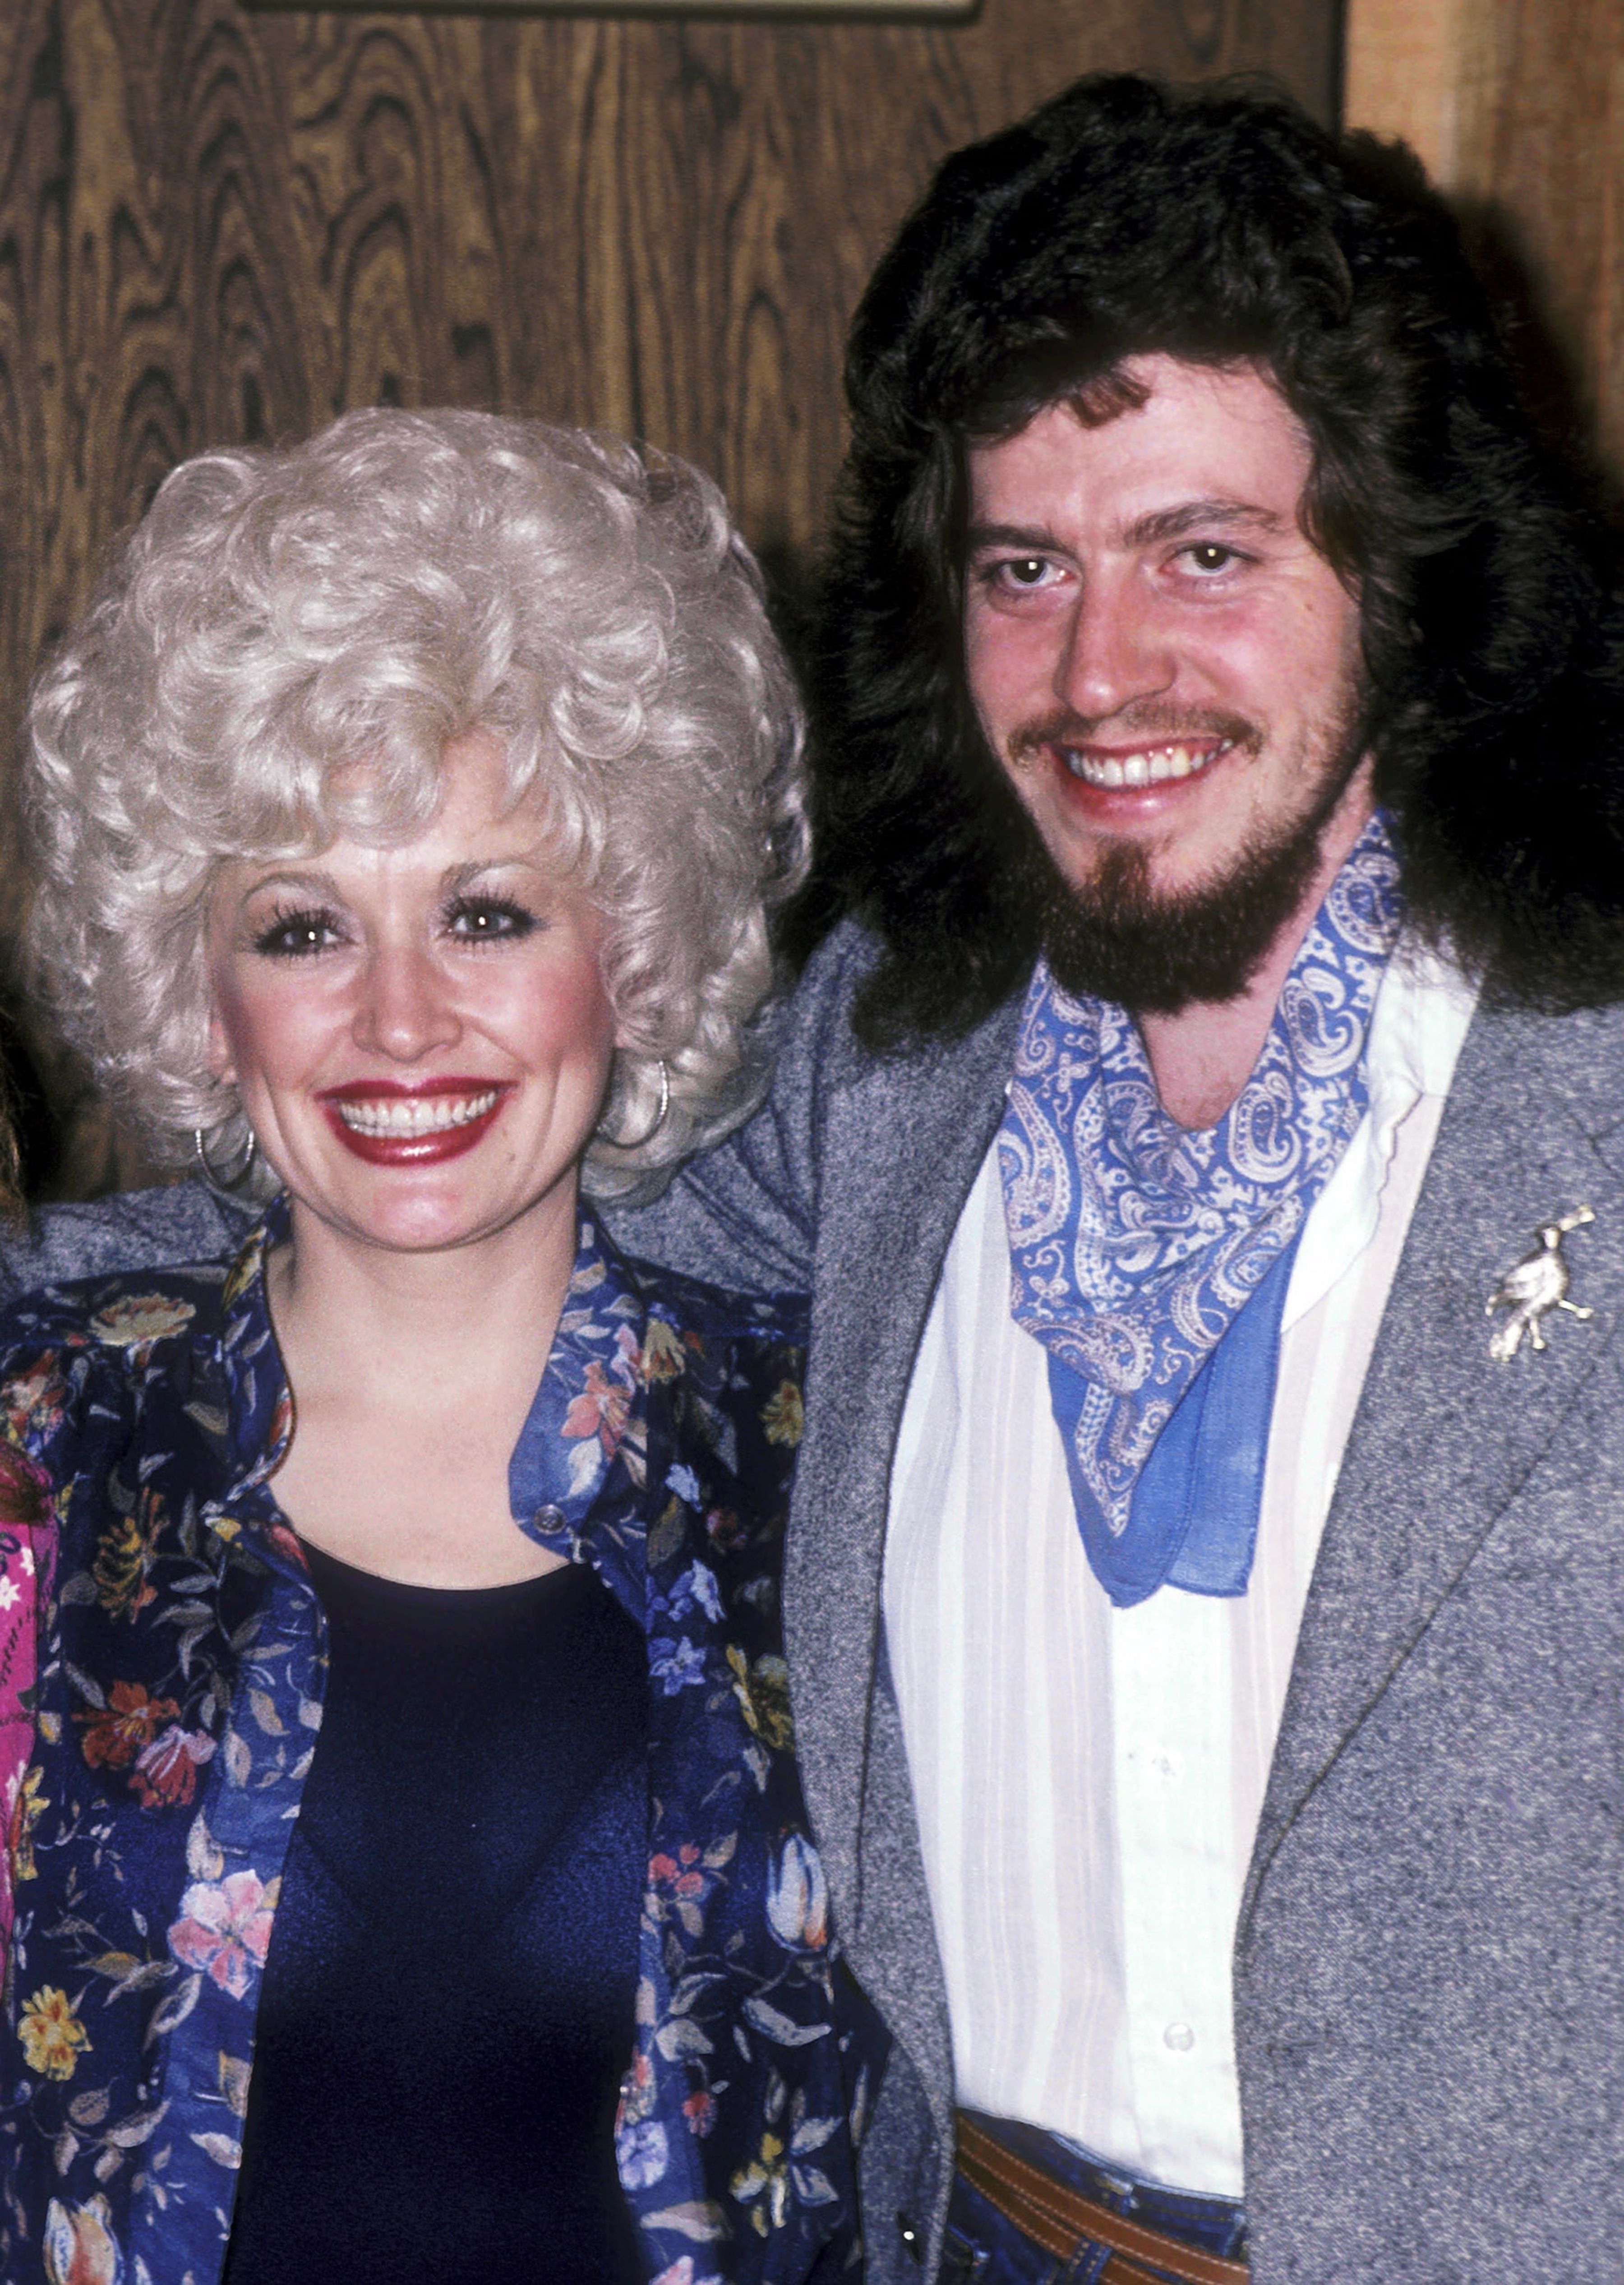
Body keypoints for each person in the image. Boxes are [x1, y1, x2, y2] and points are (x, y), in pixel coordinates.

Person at [9, 75, 1624, 2285]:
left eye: (1207, 554)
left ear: (1402, 562)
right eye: (1027, 567)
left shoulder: (1587, 1097)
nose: (1103, 667)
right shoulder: (898, 1074)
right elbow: (400, 1189)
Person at [0, 409, 882, 2285]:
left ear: (632, 949)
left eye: (488, 910)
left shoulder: (829, 1460)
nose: (402, 1021)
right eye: (305, 925)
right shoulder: (44, 1439)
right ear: (197, 992)